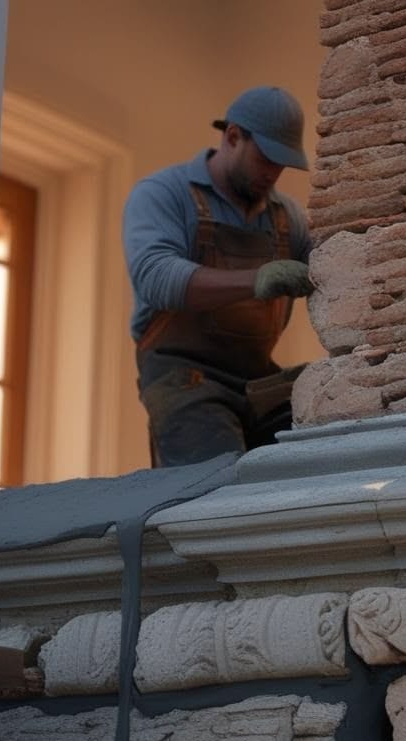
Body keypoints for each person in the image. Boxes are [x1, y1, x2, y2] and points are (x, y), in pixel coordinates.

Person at [123, 86, 315, 468]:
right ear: (232, 137)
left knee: (321, 429)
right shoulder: (163, 193)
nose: (272, 174)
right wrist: (255, 280)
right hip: (182, 379)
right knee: (216, 481)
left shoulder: (287, 218)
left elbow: (329, 268)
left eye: (281, 164)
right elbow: (156, 277)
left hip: (256, 382)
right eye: (265, 159)